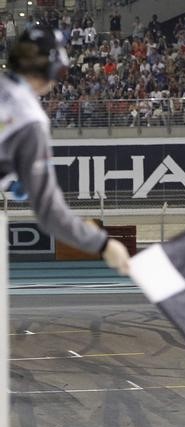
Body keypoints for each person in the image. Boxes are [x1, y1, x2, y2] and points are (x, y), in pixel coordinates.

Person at [3, 27, 129, 274]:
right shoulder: (29, 119)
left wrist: (10, 178)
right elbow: (50, 213)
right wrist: (103, 244)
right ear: (52, 70)